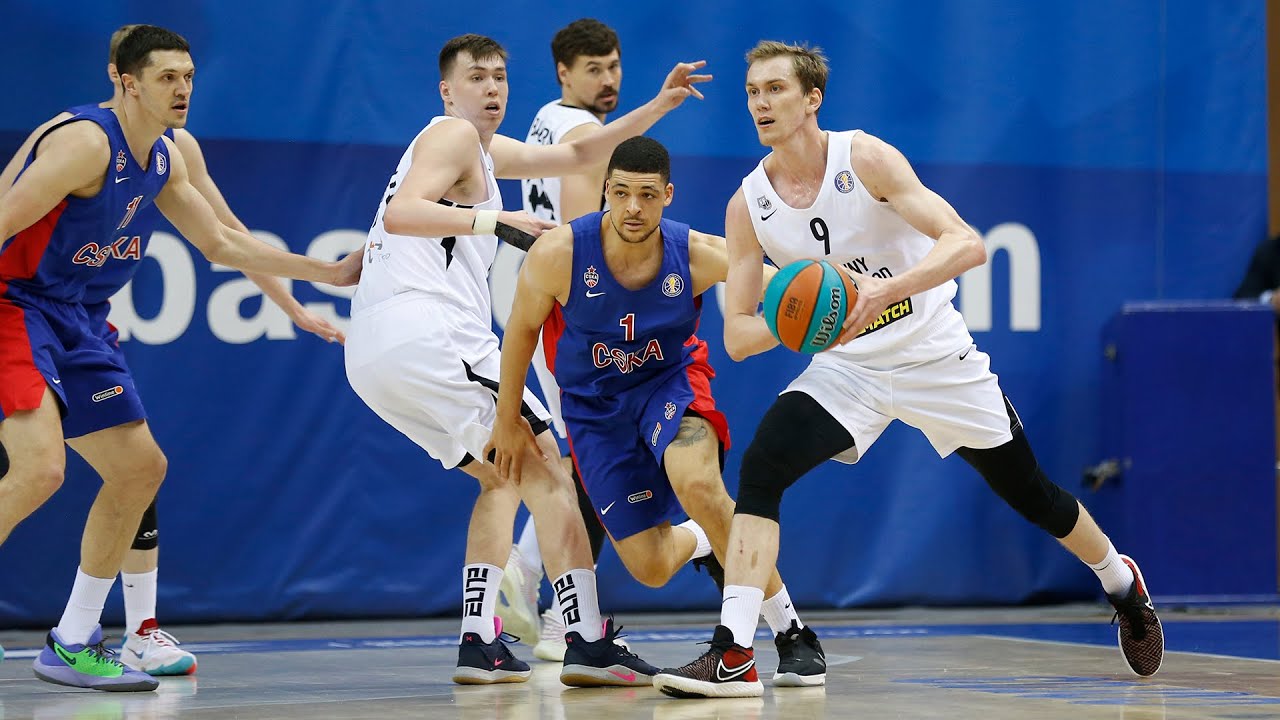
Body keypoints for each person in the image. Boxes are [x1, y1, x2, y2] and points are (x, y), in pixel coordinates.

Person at [654, 40, 1164, 699]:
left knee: (1031, 493)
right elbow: (740, 335)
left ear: (813, 99)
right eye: (753, 92)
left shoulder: (864, 158)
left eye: (775, 89)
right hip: (847, 370)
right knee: (762, 466)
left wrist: (881, 293)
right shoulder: (748, 204)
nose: (761, 103)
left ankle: (1121, 586)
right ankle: (734, 652)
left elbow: (967, 243)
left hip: (934, 355)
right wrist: (799, 324)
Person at [0, 25, 361, 692]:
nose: (183, 89)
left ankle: (73, 641)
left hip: (80, 319)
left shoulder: (164, 158)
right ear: (125, 80)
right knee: (40, 470)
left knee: (141, 470)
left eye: (189, 77)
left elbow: (224, 244)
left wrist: (326, 274)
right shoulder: (83, 143)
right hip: (15, 305)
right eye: (168, 77)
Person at [343, 34, 708, 687]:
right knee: (552, 473)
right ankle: (587, 641)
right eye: (476, 77)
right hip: (432, 331)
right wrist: (498, 225)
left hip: (379, 352)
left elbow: (578, 152)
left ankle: (480, 640)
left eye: (500, 77)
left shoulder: (482, 151)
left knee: (502, 476)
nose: (492, 88)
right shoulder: (452, 136)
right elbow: (400, 214)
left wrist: (657, 105)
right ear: (446, 90)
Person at [487, 135, 828, 689]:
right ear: (606, 192)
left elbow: (780, 286)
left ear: (667, 195)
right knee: (649, 567)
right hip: (595, 410)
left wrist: (839, 301)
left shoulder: (694, 253)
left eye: (646, 195)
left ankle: (791, 634)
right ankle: (709, 535)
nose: (632, 208)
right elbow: (520, 331)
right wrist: (507, 419)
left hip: (669, 385)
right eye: (620, 193)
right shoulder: (561, 254)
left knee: (699, 482)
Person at [498, 17, 623, 662]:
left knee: (580, 456)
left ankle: (538, 593)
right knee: (590, 457)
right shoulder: (587, 134)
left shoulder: (547, 118)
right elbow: (582, 230)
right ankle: (547, 606)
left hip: (537, 294)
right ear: (563, 73)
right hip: (569, 306)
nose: (607, 80)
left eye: (613, 66)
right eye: (593, 69)